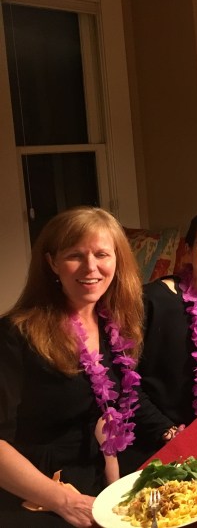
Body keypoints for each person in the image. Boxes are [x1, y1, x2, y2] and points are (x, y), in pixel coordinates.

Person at [0, 207, 144, 527]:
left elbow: (103, 417)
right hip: (32, 495)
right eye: (75, 255)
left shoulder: (112, 325)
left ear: (117, 260)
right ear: (52, 263)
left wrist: (115, 488)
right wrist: (65, 501)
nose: (91, 267)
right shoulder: (14, 335)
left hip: (92, 483)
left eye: (102, 254)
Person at [122, 207, 197, 474]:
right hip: (154, 441)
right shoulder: (154, 300)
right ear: (188, 251)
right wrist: (166, 431)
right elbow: (124, 381)